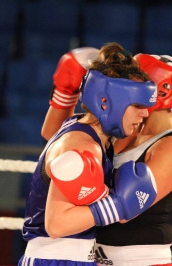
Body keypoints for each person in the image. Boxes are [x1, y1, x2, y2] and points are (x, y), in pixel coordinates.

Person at [41, 52, 172, 265]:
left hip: (143, 260)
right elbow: (58, 141)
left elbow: (127, 209)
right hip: (95, 257)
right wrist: (65, 94)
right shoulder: (124, 126)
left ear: (158, 89)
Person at [18, 42, 159, 266]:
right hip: (55, 259)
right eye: (137, 106)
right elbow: (57, 225)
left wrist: (66, 93)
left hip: (73, 257)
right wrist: (118, 206)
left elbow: (49, 133)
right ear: (106, 103)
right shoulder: (82, 146)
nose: (145, 113)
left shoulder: (83, 128)